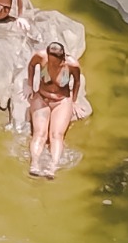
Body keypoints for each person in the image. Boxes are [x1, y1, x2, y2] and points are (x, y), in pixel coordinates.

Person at [25, 39, 86, 178]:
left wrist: (74, 102)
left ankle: (52, 167)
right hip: (42, 97)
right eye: (50, 60)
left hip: (61, 101)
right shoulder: (41, 56)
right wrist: (29, 84)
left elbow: (76, 82)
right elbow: (31, 65)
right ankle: (34, 164)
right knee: (40, 134)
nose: (52, 64)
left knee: (56, 135)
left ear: (62, 58)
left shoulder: (72, 65)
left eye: (55, 62)